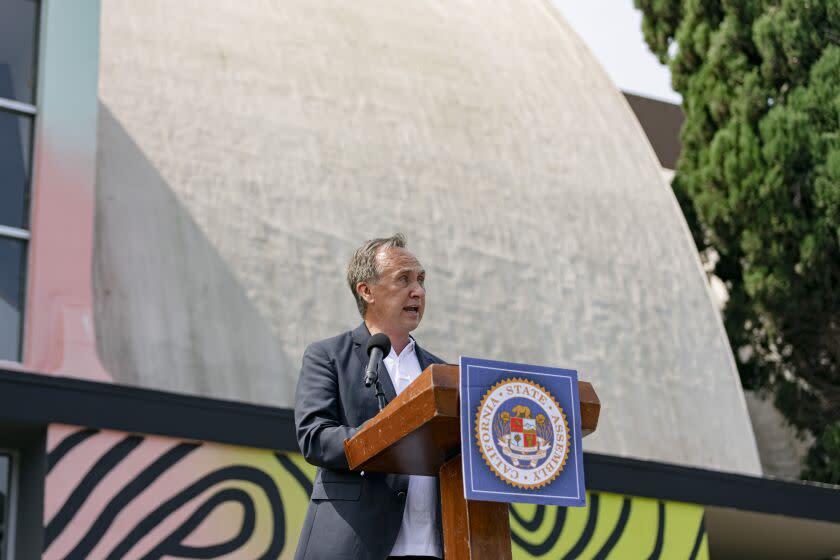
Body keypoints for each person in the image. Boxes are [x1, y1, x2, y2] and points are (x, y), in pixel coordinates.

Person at [294, 234, 444, 560]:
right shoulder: (329, 356)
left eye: (420, 280)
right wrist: (388, 439)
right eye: (403, 279)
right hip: (355, 544)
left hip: (434, 548)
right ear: (366, 291)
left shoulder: (442, 375)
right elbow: (315, 436)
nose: (417, 290)